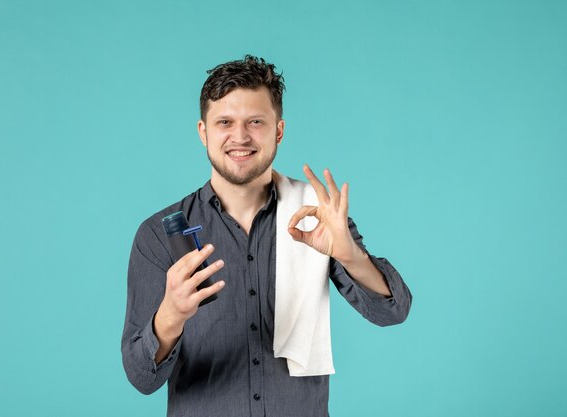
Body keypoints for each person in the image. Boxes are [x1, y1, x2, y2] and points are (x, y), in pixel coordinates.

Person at [121, 55, 412, 417]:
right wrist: (170, 315)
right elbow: (140, 377)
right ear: (203, 132)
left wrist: (349, 254)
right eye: (224, 122)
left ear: (278, 130)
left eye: (255, 122)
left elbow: (394, 312)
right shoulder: (159, 234)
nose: (240, 137)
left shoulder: (317, 215)